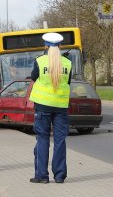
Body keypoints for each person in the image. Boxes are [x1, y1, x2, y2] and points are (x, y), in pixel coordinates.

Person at [29, 32, 72, 184]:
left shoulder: (39, 61)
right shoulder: (67, 63)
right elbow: (68, 82)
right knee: (60, 140)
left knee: (43, 140)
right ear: (60, 46)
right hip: (60, 107)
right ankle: (60, 176)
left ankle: (42, 176)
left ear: (45, 46)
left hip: (42, 106)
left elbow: (34, 77)